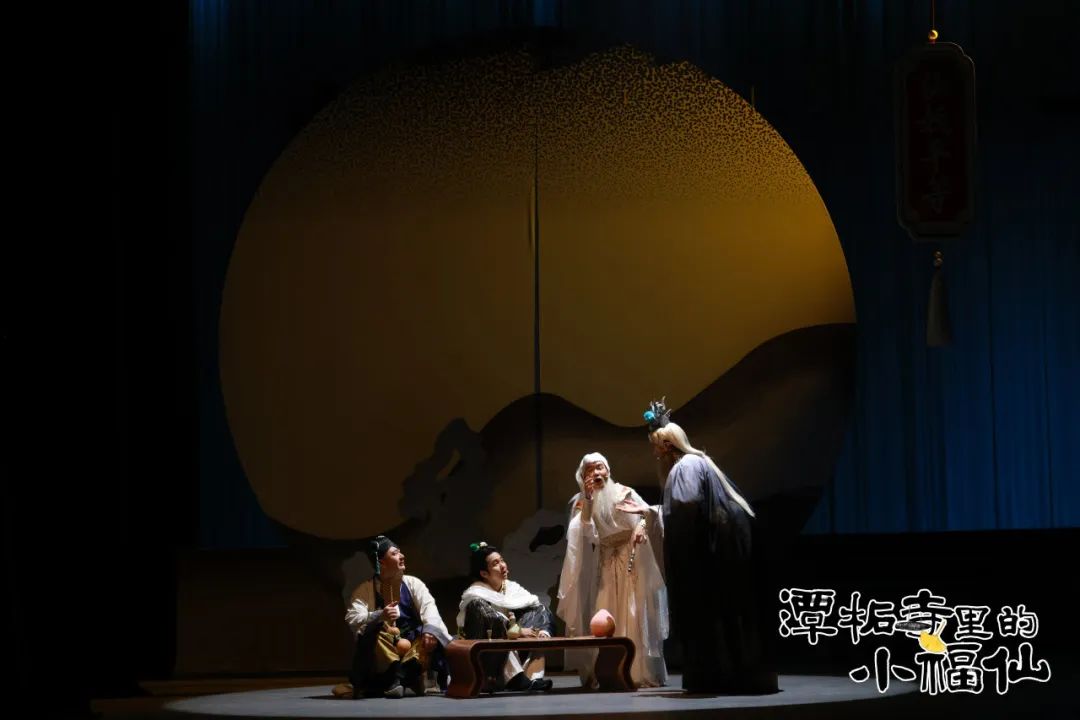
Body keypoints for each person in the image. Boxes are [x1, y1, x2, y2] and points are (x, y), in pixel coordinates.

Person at [618, 399, 776, 694]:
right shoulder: (699, 462)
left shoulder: (686, 466)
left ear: (666, 446)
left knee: (715, 609)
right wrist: (650, 512)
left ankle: (719, 675)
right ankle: (736, 673)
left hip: (719, 549)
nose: (655, 454)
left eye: (656, 448)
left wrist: (663, 524)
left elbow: (686, 505)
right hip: (727, 544)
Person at [556, 452, 668, 688]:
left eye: (599, 467)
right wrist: (588, 499)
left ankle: (637, 671)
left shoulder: (625, 492)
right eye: (589, 470)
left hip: (632, 556)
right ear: (583, 476)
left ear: (608, 470)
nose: (596, 473)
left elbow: (648, 512)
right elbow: (585, 531)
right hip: (606, 561)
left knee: (633, 610)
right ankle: (609, 671)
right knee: (605, 612)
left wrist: (642, 525)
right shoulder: (582, 502)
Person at [342, 536, 452, 698]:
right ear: (381, 562)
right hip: (386, 647)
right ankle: (406, 677)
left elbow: (429, 608)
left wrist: (429, 631)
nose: (402, 556)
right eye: (395, 554)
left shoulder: (413, 583)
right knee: (374, 632)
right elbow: (353, 617)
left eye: (400, 552)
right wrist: (380, 615)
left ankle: (399, 678)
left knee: (429, 634)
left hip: (412, 642)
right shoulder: (364, 590)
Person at [456, 542, 555, 693]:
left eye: (502, 560)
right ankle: (517, 680)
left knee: (539, 609)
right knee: (498, 632)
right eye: (495, 563)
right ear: (484, 573)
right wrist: (518, 630)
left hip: (513, 648)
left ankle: (533, 678)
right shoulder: (475, 595)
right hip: (489, 659)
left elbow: (536, 608)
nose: (502, 565)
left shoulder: (511, 588)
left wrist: (541, 631)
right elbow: (492, 620)